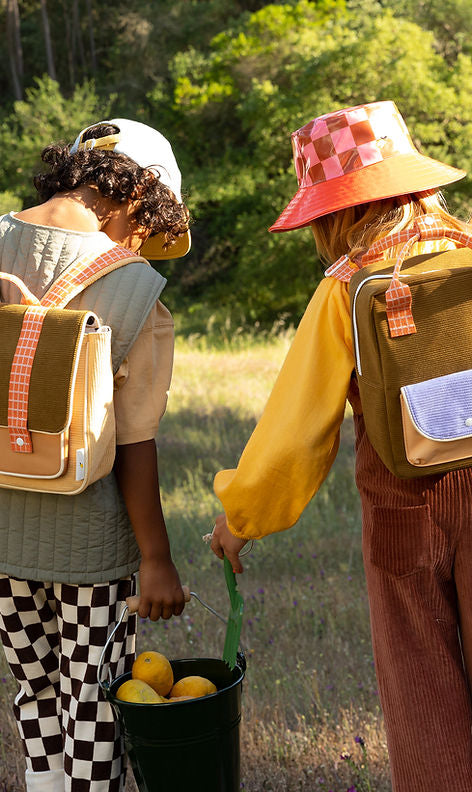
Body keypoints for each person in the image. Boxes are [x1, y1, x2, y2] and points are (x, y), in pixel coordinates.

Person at [209, 100, 472, 791]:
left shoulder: (346, 289)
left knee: (421, 688)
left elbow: (296, 432)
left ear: (334, 212)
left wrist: (242, 517)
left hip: (403, 508)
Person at [0, 118, 190, 792]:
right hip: (90, 540)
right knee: (95, 702)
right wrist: (156, 559)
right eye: (146, 227)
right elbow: (134, 438)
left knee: (35, 689)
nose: (138, 245)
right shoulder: (135, 288)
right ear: (139, 196)